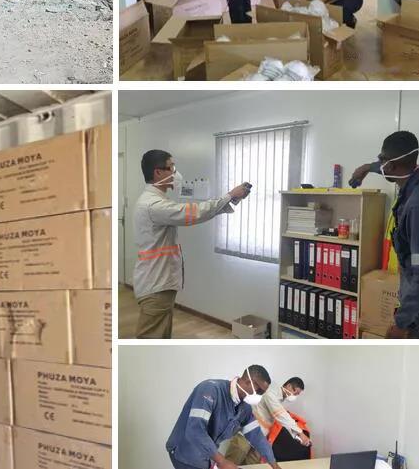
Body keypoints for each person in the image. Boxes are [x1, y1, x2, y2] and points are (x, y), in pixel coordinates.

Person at [133, 150, 251, 338]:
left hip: (158, 281)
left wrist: (232, 199)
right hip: (156, 284)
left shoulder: (155, 201)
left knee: (160, 336)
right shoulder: (153, 205)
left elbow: (198, 213)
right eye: (171, 167)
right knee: (150, 339)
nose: (175, 172)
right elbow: (195, 213)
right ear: (158, 172)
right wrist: (229, 195)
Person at [350, 131, 419, 338]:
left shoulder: (417, 207)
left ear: (391, 165)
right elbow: (390, 167)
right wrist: (367, 168)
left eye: (382, 159)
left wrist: (402, 324)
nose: (379, 163)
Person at [166, 366, 282, 469]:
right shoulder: (210, 390)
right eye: (259, 391)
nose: (260, 396)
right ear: (248, 381)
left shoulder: (245, 407)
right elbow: (196, 430)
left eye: (262, 393)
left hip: (206, 455)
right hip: (184, 452)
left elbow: (256, 435)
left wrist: (274, 464)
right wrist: (221, 461)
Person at [225, 377, 310, 465]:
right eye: (295, 392)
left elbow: (281, 418)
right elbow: (280, 414)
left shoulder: (279, 398)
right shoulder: (271, 391)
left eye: (297, 395)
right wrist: (300, 432)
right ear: (288, 386)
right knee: (231, 462)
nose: (294, 396)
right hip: (247, 432)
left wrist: (297, 435)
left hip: (260, 436)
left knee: (252, 464)